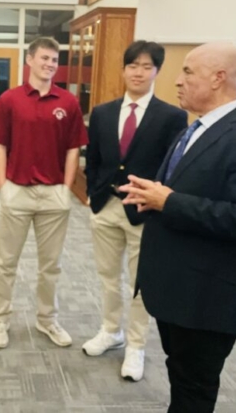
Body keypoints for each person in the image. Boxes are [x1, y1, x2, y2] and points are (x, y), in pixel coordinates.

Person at [120, 42, 236, 412]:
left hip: (209, 299)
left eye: (187, 72)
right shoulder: (194, 128)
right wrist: (152, 198)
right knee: (181, 380)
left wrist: (169, 201)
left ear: (218, 78)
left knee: (194, 392)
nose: (177, 81)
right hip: (179, 292)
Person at [84, 41, 187, 381]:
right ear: (124, 70)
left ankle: (136, 345)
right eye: (132, 65)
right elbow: (94, 159)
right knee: (108, 276)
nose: (138, 72)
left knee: (141, 283)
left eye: (146, 66)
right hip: (106, 206)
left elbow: (173, 168)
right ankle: (110, 330)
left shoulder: (172, 116)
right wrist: (93, 193)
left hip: (144, 212)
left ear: (157, 71)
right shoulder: (102, 112)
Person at [0, 36, 88, 349]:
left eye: (54, 60)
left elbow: (73, 149)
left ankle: (47, 320)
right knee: (6, 263)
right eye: (44, 58)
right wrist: (3, 187)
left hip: (53, 195)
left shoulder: (68, 103)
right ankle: (0, 319)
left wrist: (66, 189)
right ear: (29, 60)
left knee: (51, 266)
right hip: (17, 192)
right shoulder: (10, 100)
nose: (49, 65)